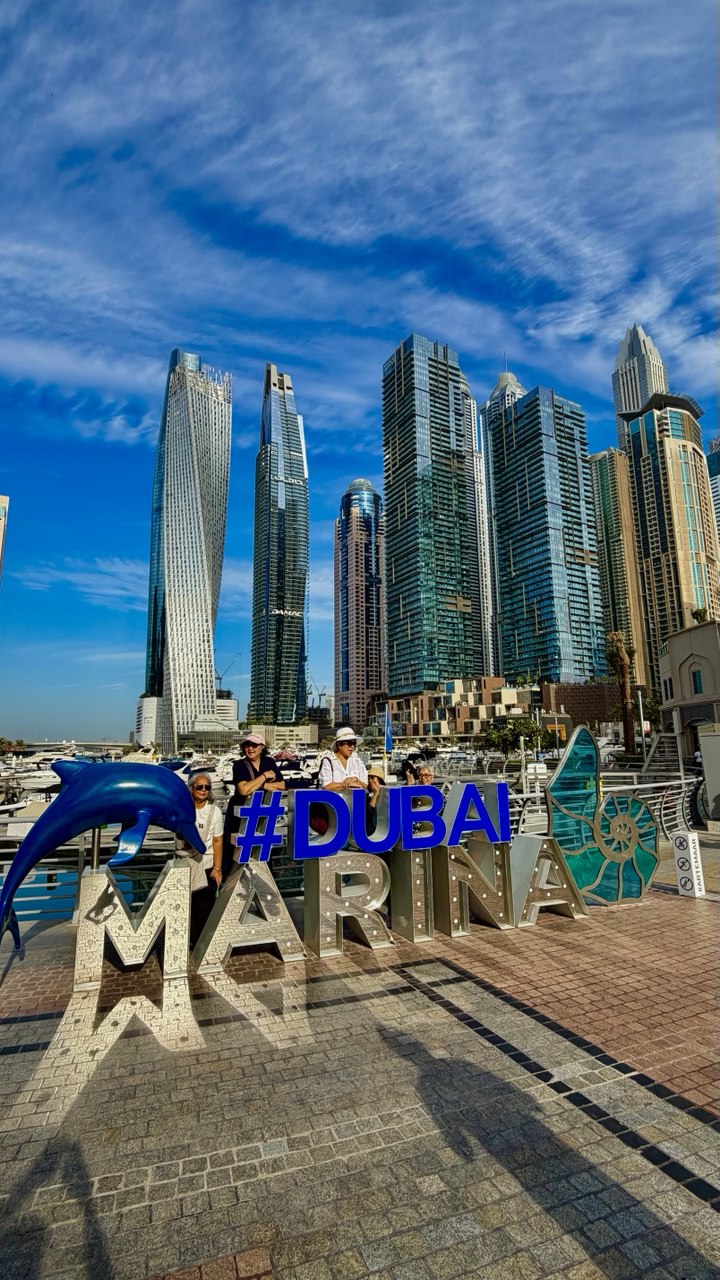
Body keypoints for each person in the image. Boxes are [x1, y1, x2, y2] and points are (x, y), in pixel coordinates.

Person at [223, 734, 285, 875]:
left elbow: (282, 784)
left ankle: (263, 885)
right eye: (247, 745)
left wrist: (256, 785)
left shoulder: (268, 762)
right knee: (237, 853)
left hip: (262, 814)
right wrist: (264, 779)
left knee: (262, 852)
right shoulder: (239, 765)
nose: (250, 748)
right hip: (241, 816)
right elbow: (243, 790)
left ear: (262, 747)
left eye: (254, 745)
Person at [175, 773, 223, 942]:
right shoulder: (181, 807)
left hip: (206, 864)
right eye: (199, 786)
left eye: (207, 787)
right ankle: (187, 940)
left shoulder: (214, 811)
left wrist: (217, 869)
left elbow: (218, 841)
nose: (203, 790)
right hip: (185, 863)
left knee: (204, 906)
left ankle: (201, 943)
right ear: (191, 788)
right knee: (185, 904)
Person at [318, 727, 368, 791]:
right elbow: (326, 786)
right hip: (335, 800)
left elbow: (365, 785)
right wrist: (349, 784)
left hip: (354, 800)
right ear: (339, 745)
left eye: (354, 743)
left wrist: (356, 779)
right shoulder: (328, 761)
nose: (352, 746)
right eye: (349, 743)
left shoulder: (357, 761)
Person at [366, 766, 385, 834]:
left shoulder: (387, 796)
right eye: (369, 778)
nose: (370, 781)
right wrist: (375, 794)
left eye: (372, 778)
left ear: (379, 780)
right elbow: (369, 811)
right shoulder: (367, 795)